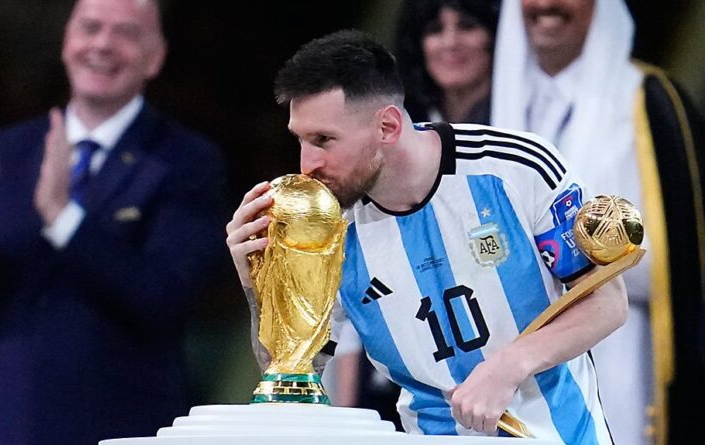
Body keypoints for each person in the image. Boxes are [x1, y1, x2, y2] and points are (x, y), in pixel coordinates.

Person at [226, 29, 628, 442]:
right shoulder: (326, 225)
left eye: (323, 140)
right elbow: (294, 374)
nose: (307, 164)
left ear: (387, 126)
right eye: (300, 140)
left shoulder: (517, 169)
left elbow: (607, 301)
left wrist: (509, 366)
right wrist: (262, 286)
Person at [0, 0, 229, 444]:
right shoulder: (7, 152)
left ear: (155, 56)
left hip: (124, 426)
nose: (102, 44)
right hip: (6, 423)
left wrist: (64, 219)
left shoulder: (185, 161)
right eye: (90, 28)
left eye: (125, 33)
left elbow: (164, 296)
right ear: (67, 41)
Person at [490, 1, 705, 444]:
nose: (546, 5)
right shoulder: (493, 101)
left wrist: (569, 261)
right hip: (515, 360)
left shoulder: (649, 102)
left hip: (622, 354)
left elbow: (681, 259)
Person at [326, 0, 501, 427]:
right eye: (434, 30)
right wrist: (349, 404)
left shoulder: (517, 142)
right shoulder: (392, 138)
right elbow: (357, 262)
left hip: (499, 371)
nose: (451, 42)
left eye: (468, 26)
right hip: (399, 371)